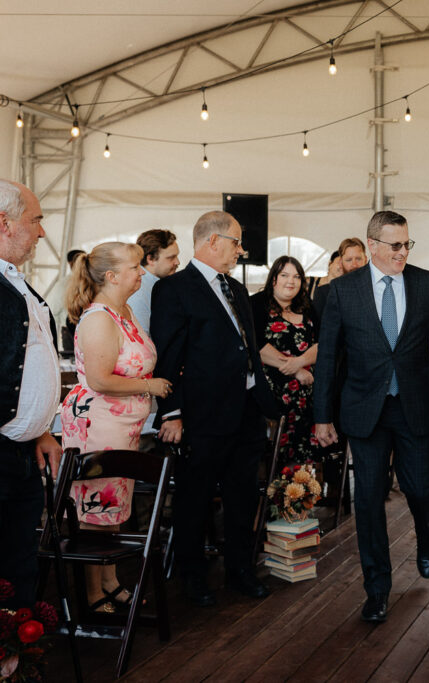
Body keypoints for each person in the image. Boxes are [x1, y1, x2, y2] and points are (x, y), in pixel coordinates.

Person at [313, 211, 429, 623]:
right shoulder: (342, 291)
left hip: (415, 406)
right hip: (365, 410)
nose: (402, 252)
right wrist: (322, 416)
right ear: (373, 245)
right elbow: (328, 357)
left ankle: (425, 533)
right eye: (395, 245)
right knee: (368, 499)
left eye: (407, 244)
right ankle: (377, 588)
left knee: (421, 488)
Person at [151, 211, 278, 606]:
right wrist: (172, 412)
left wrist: (263, 398)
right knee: (195, 499)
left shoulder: (236, 288)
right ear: (212, 241)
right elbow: (168, 355)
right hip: (203, 414)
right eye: (236, 242)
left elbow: (247, 346)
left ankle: (240, 571)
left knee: (244, 496)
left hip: (246, 411)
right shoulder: (174, 289)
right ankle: (193, 578)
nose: (241, 250)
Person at [61, 242, 172, 612]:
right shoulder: (99, 318)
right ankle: (93, 595)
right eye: (135, 267)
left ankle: (110, 582)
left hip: (123, 426)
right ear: (111, 276)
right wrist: (149, 386)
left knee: (111, 510)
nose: (142, 272)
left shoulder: (124, 310)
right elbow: (99, 379)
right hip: (98, 424)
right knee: (95, 510)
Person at [0, 179, 62, 608]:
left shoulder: (17, 281)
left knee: (20, 562)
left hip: (23, 452)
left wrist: (41, 430)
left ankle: (19, 643)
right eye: (35, 220)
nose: (42, 231)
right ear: (4, 223)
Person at [251, 256, 323, 463]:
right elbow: (256, 346)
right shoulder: (256, 304)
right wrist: (295, 370)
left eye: (296, 277)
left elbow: (322, 343)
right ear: (273, 278)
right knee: (272, 459)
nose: (291, 281)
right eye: (284, 275)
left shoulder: (307, 306)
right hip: (271, 398)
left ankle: (300, 484)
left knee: (303, 459)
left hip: (307, 396)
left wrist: (300, 363)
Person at [127, 229, 180, 336]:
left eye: (177, 256)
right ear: (150, 259)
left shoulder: (160, 285)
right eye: (171, 258)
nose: (177, 262)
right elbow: (142, 338)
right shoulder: (139, 292)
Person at [313, 238, 367, 318]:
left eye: (358, 259)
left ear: (365, 259)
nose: (354, 265)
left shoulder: (378, 288)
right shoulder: (325, 293)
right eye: (349, 260)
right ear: (341, 263)